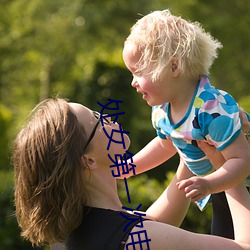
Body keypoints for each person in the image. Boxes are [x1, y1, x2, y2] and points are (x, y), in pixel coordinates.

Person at [13, 98, 250, 250]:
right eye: (98, 120)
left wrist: (189, 141)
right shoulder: (135, 238)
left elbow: (156, 223)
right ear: (88, 160)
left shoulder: (77, 230)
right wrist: (226, 166)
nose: (109, 118)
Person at [122, 9, 250, 238]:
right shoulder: (162, 110)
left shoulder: (211, 109)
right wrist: (130, 167)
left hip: (239, 184)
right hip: (221, 188)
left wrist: (209, 184)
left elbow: (242, 160)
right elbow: (165, 145)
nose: (133, 82)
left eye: (138, 72)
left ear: (173, 67)